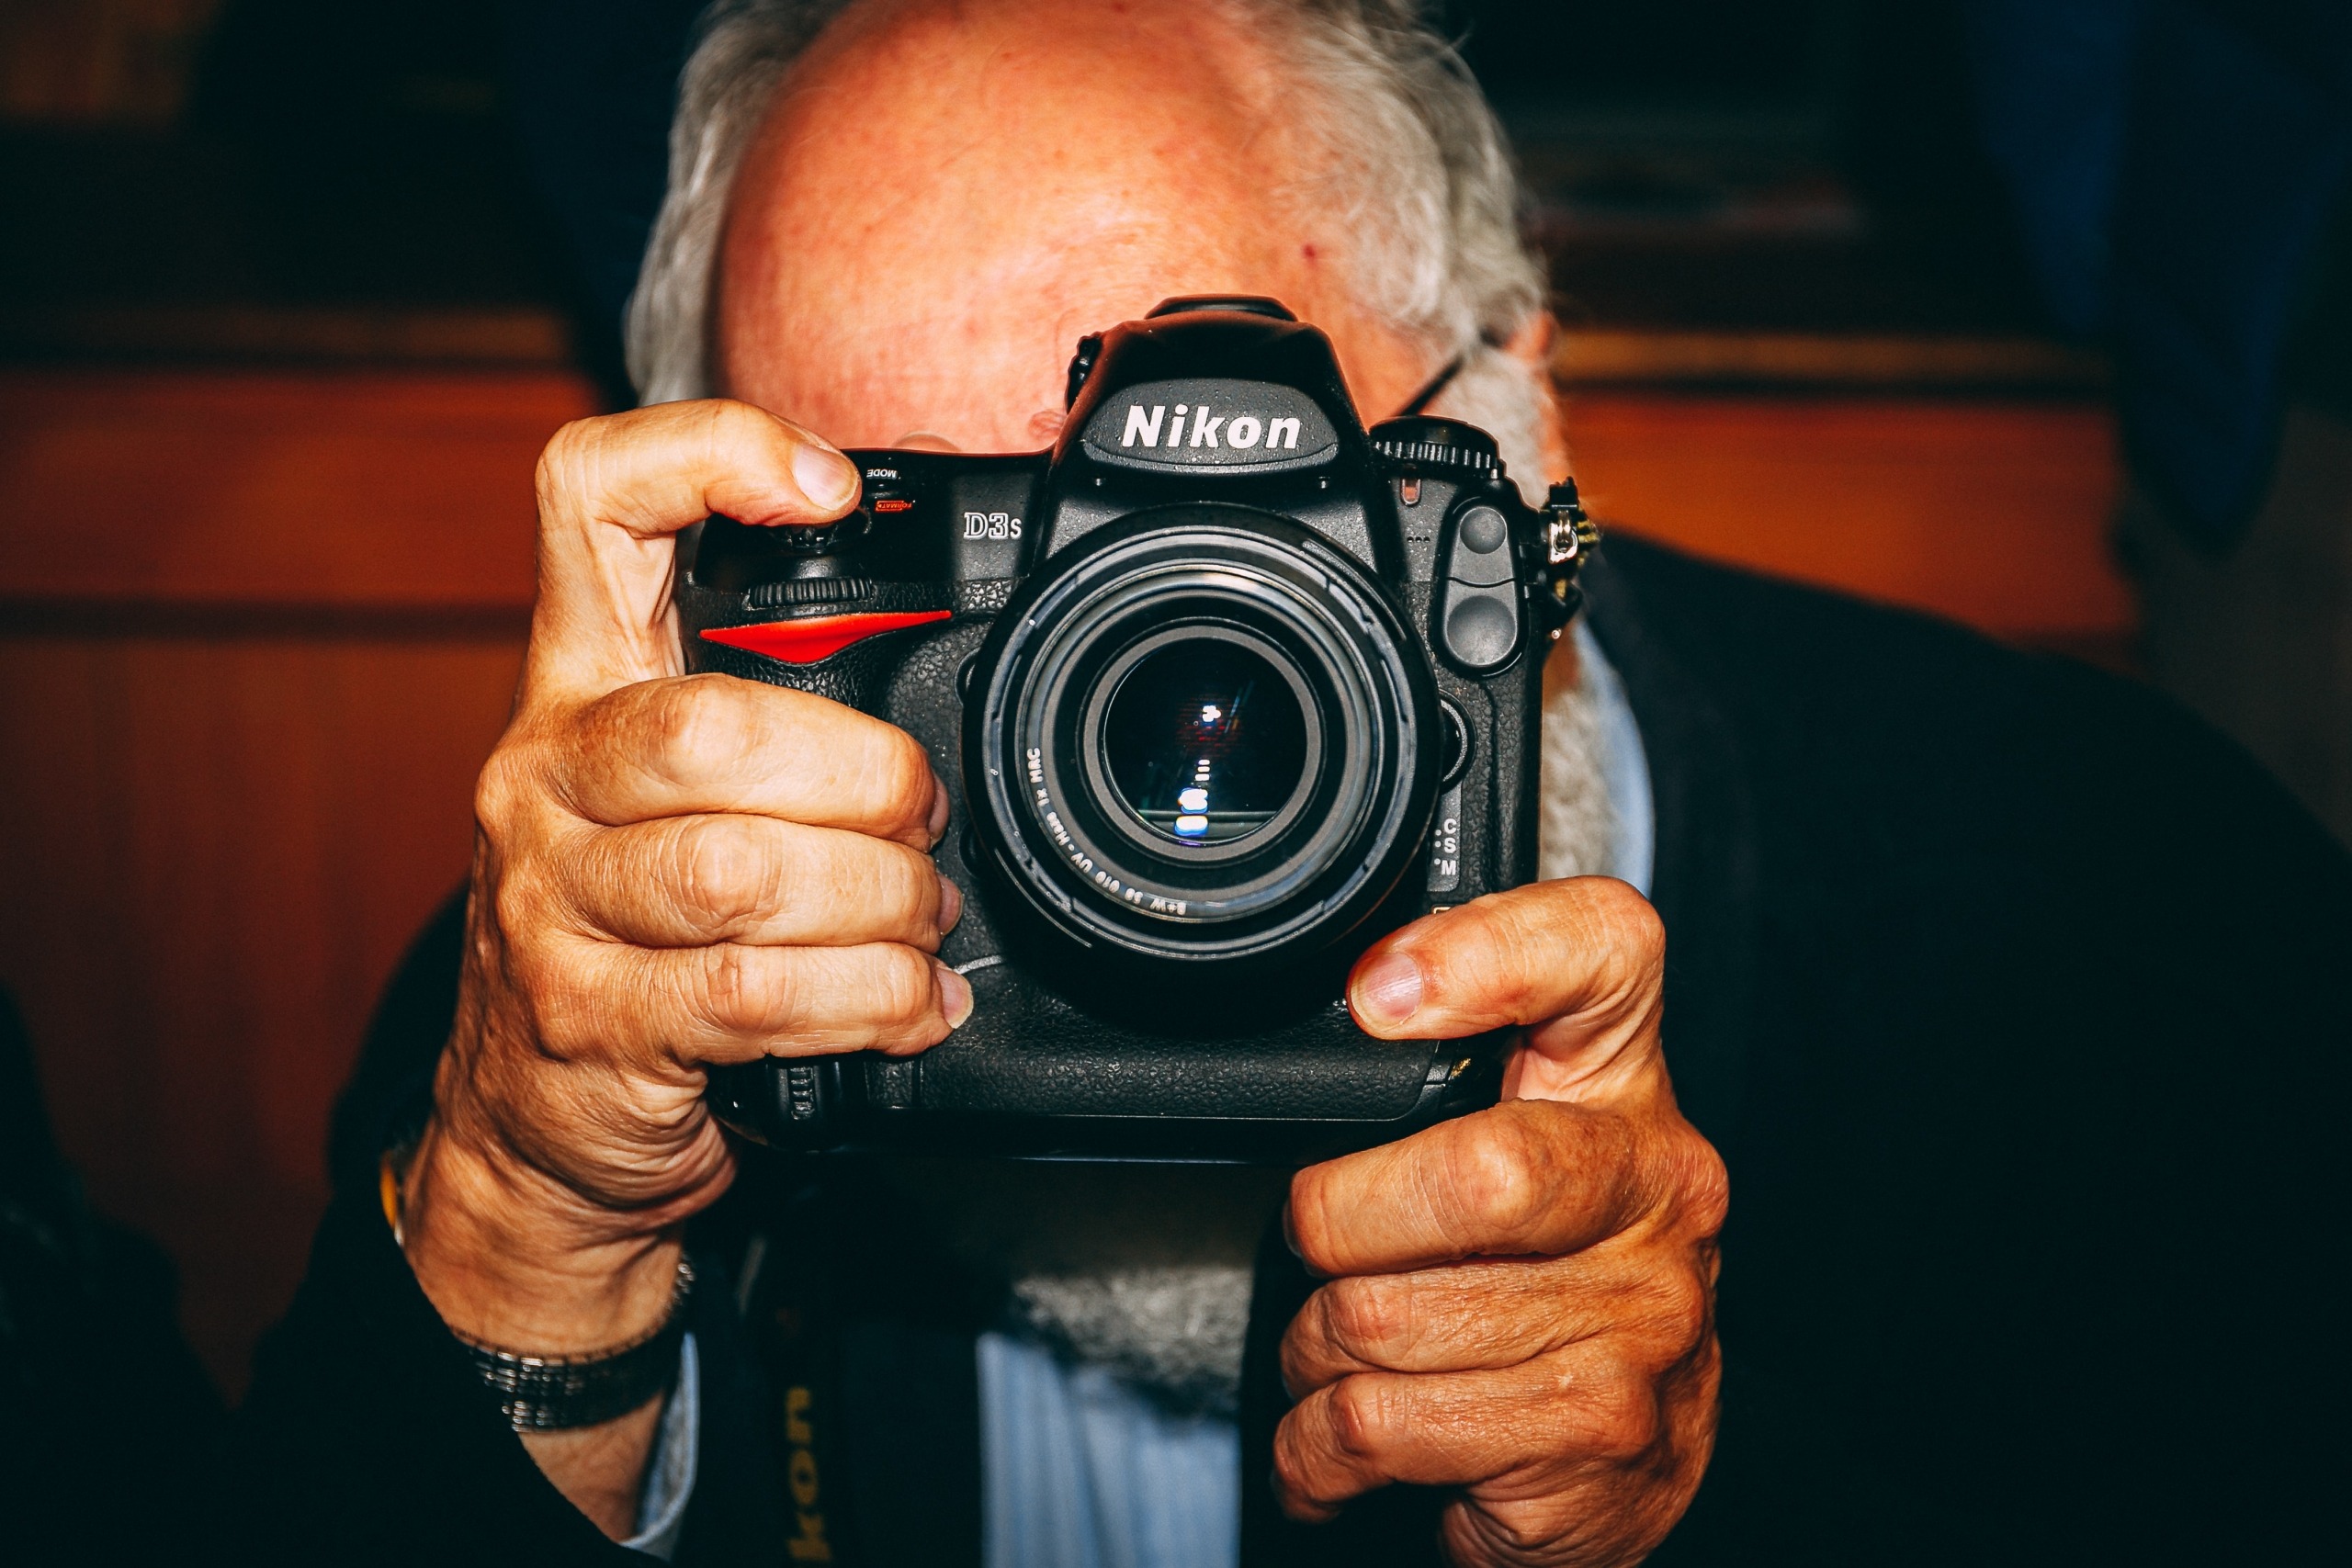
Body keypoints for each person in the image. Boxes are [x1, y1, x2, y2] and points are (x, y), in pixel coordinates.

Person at [226, 2, 2352, 1564]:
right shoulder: (594, 995)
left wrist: (1694, 1511)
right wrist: (524, 1242)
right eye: (935, 549)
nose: (1088, 703)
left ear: (1516, 421)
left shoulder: (2103, 926)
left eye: (1206, 551)